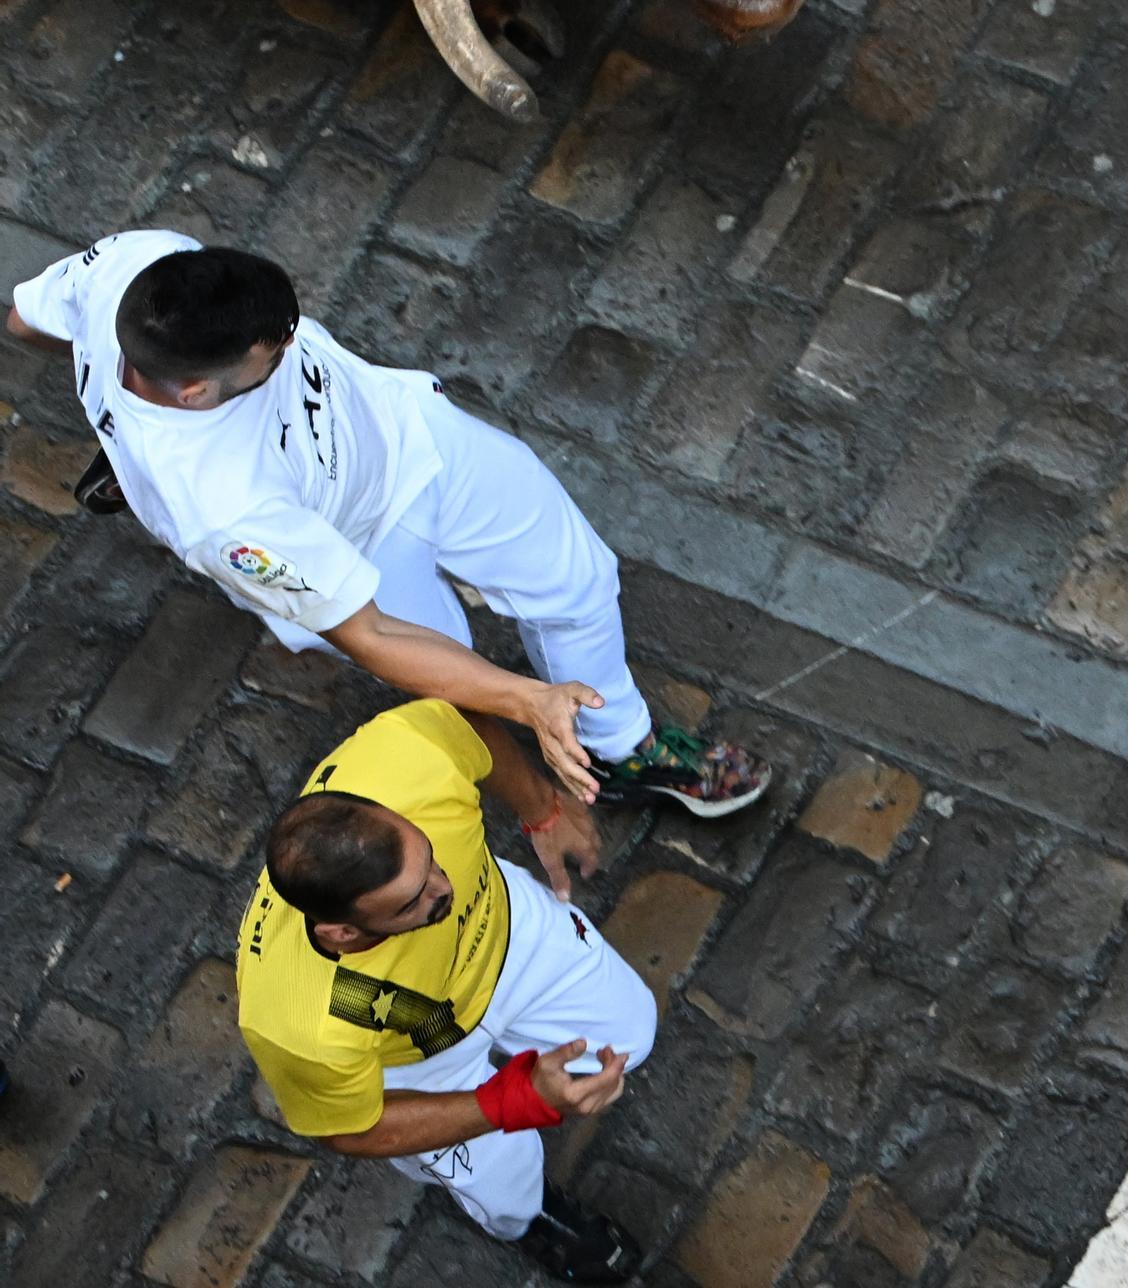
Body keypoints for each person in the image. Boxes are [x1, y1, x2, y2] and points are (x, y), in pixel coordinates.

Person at [7, 229, 769, 813]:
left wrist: (118, 427)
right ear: (196, 395)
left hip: (407, 435)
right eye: (270, 360)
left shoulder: (146, 263)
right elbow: (372, 637)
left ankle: (621, 747)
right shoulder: (226, 510)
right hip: (348, 547)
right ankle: (548, 782)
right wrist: (527, 698)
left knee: (580, 578)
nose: (287, 352)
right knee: (455, 679)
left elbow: (24, 319)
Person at [238, 697, 655, 1281]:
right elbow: (351, 1128)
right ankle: (537, 1222)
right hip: (417, 1059)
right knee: (506, 1187)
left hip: (509, 936)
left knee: (634, 1031)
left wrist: (543, 811)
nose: (445, 889)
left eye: (430, 861)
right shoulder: (295, 1022)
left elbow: (471, 729)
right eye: (413, 902)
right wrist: (513, 1101)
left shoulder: (406, 754)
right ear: (342, 931)